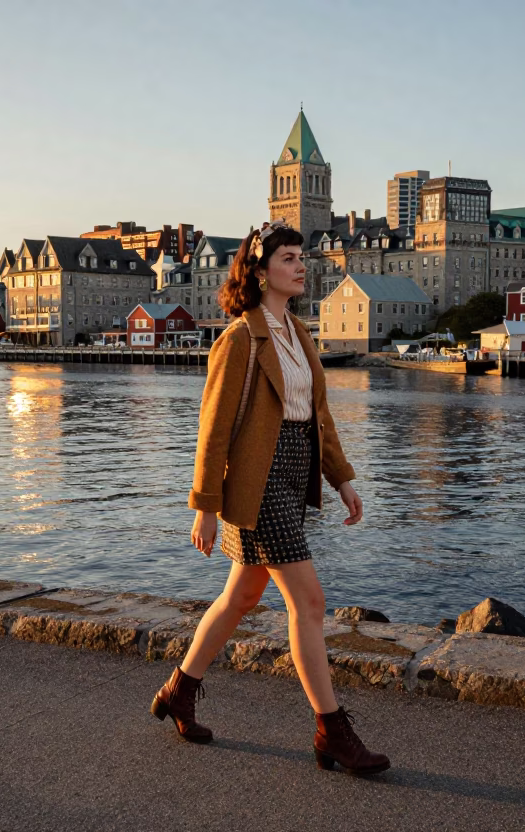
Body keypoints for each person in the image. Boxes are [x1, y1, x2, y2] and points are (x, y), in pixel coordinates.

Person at [150, 219, 389, 776]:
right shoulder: (240, 338)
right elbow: (213, 428)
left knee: (241, 598)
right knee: (309, 603)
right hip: (256, 484)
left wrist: (343, 479)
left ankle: (179, 691)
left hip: (292, 474)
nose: (301, 266)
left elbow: (318, 417)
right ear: (259, 273)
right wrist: (205, 506)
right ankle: (333, 731)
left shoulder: (299, 333)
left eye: (301, 257)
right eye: (288, 258)